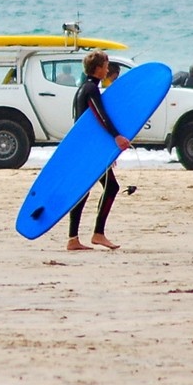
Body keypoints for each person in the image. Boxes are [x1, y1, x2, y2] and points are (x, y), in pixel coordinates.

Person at [66, 50, 132, 252]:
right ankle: (97, 234)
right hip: (89, 152)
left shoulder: (82, 88)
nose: (108, 69)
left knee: (85, 191)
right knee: (111, 187)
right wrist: (116, 137)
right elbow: (100, 117)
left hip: (86, 149)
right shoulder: (91, 89)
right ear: (97, 68)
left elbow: (80, 122)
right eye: (106, 65)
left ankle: (74, 239)